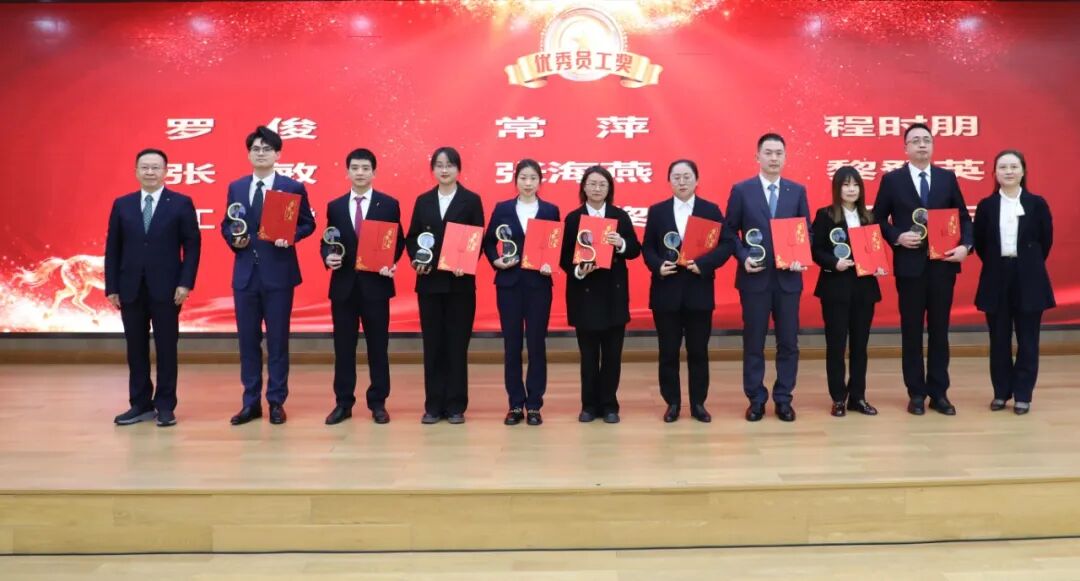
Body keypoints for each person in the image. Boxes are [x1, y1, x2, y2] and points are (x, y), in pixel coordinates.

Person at [873, 123, 972, 416]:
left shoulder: (946, 178)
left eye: (926, 140)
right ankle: (916, 393)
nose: (921, 145)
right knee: (912, 330)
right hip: (910, 267)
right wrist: (897, 237)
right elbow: (877, 219)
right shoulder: (892, 180)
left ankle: (939, 393)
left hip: (943, 266)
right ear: (905, 148)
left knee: (940, 330)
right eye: (915, 140)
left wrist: (966, 246)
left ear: (933, 145)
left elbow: (964, 218)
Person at [221, 126, 315, 425]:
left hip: (279, 275)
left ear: (278, 154)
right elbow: (228, 223)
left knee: (277, 341)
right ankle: (250, 403)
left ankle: (276, 401)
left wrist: (292, 236)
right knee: (247, 342)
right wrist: (233, 239)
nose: (261, 153)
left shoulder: (292, 187)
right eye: (255, 149)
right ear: (249, 154)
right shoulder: (237, 187)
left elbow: (308, 223)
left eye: (267, 149)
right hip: (245, 276)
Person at [106, 148, 201, 427]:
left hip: (168, 289)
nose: (150, 172)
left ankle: (166, 405)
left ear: (166, 171)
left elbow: (192, 246)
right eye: (145, 167)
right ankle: (140, 404)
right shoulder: (122, 204)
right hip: (130, 287)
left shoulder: (181, 203)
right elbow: (113, 248)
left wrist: (185, 282)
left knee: (167, 348)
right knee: (135, 348)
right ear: (136, 171)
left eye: (155, 167)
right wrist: (112, 286)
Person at [723, 133, 810, 422]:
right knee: (754, 341)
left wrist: (800, 255)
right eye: (768, 152)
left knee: (789, 342)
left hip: (788, 280)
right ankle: (756, 399)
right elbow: (729, 231)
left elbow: (806, 232)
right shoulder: (742, 190)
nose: (774, 158)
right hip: (754, 279)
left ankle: (783, 398)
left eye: (778, 153)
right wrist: (743, 256)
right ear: (757, 157)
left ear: (785, 157)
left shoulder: (797, 191)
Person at [642, 159, 732, 423]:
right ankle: (672, 403)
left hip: (698, 291)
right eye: (676, 177)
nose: (682, 182)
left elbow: (726, 244)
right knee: (668, 352)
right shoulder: (658, 211)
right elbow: (648, 247)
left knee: (698, 351)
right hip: (666, 292)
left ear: (697, 180)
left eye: (687, 177)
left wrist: (704, 264)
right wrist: (658, 266)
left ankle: (698, 403)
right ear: (669, 181)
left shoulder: (710, 210)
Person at [320, 148, 404, 425]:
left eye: (365, 168)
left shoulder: (388, 204)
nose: (360, 173)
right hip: (343, 288)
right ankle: (343, 403)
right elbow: (328, 240)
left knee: (378, 347)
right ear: (347, 172)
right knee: (343, 348)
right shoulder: (335, 206)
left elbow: (398, 240)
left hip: (376, 286)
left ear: (374, 172)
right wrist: (327, 256)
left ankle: (378, 403)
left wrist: (391, 261)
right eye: (355, 168)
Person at [406, 146, 484, 424]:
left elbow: (477, 239)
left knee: (456, 346)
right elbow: (413, 237)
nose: (444, 170)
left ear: (458, 169)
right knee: (433, 345)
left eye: (450, 165)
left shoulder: (471, 200)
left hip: (460, 285)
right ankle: (433, 405)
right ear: (433, 170)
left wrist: (468, 261)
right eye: (439, 165)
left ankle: (455, 406)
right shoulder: (423, 201)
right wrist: (416, 258)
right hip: (429, 284)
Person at [973, 150, 1054, 415]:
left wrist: (1026, 262)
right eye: (1003, 167)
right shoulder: (986, 206)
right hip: (996, 276)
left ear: (1023, 171)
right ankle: (1001, 392)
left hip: (1029, 277)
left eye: (1013, 166)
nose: (1008, 171)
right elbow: (981, 244)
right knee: (998, 339)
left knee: (1028, 339)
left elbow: (1045, 241)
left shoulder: (1037, 203)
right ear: (994, 173)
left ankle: (1023, 394)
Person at [560, 166, 641, 424]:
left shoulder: (620, 216)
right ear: (583, 187)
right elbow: (563, 256)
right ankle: (588, 405)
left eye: (602, 184)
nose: (597, 188)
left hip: (613, 296)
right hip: (584, 295)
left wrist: (621, 244)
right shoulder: (574, 218)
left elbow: (635, 250)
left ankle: (609, 405)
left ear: (609, 189)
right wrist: (578, 270)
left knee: (612, 356)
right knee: (588, 356)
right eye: (592, 184)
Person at [482, 159, 560, 426]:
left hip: (539, 285)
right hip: (509, 285)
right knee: (512, 344)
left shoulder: (550, 210)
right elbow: (488, 242)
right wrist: (496, 261)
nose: (528, 183)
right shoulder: (503, 209)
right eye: (523, 178)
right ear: (515, 180)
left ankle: (535, 404)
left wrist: (551, 263)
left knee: (537, 344)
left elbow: (556, 244)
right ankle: (515, 404)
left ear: (540, 181)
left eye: (533, 178)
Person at [810, 166, 884, 417]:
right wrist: (833, 262)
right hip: (836, 288)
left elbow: (875, 249)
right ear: (837, 188)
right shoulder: (825, 215)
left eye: (855, 185)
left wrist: (878, 265)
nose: (851, 189)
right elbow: (816, 249)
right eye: (846, 184)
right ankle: (839, 398)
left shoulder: (869, 216)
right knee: (836, 345)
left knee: (860, 346)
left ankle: (858, 397)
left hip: (864, 289)